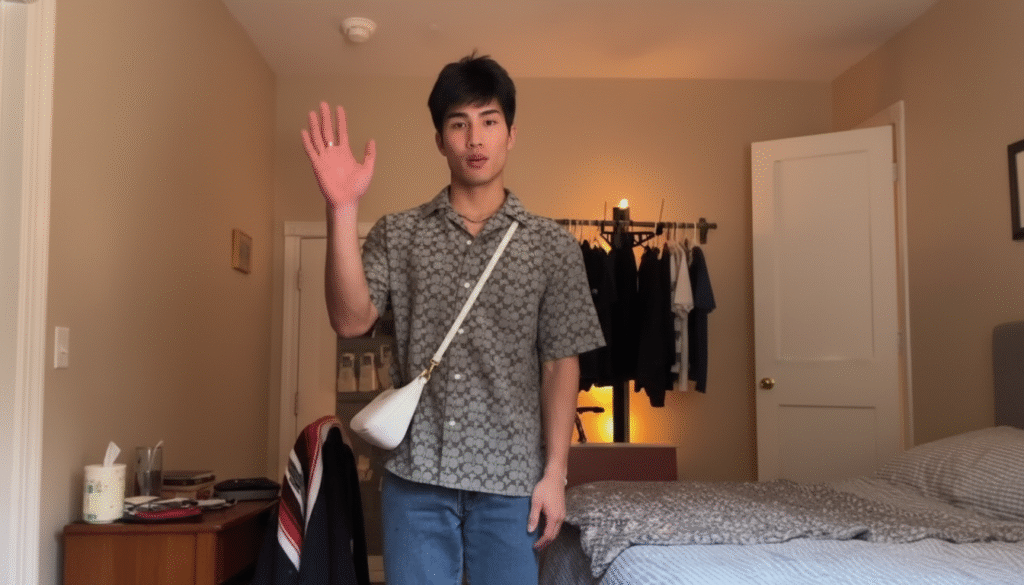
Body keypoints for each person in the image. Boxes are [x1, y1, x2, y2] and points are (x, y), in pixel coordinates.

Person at [301, 53, 605, 585]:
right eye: (459, 124)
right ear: (440, 140)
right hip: (416, 478)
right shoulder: (399, 233)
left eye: (489, 121)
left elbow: (561, 366)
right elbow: (350, 321)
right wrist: (342, 210)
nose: (475, 138)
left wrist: (555, 474)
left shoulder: (552, 246)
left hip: (512, 482)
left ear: (511, 134)